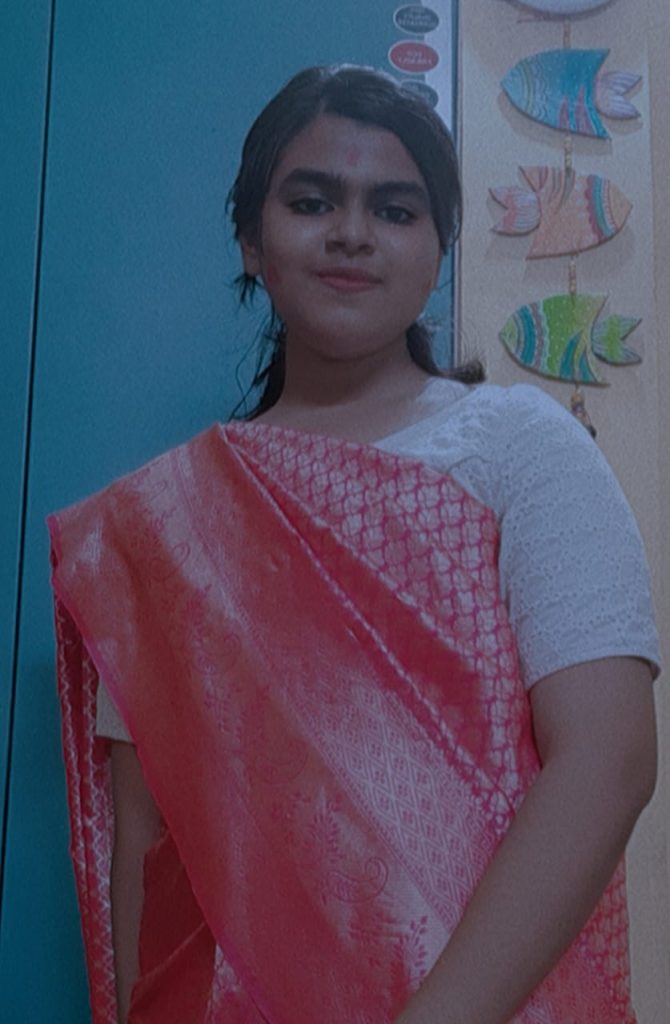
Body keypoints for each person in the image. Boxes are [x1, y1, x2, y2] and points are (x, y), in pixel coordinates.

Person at [48, 65, 660, 1024]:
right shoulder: (168, 525)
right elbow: (149, 841)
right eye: (311, 200)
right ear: (253, 240)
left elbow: (609, 758)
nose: (351, 232)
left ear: (437, 251)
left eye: (396, 208)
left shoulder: (517, 448)